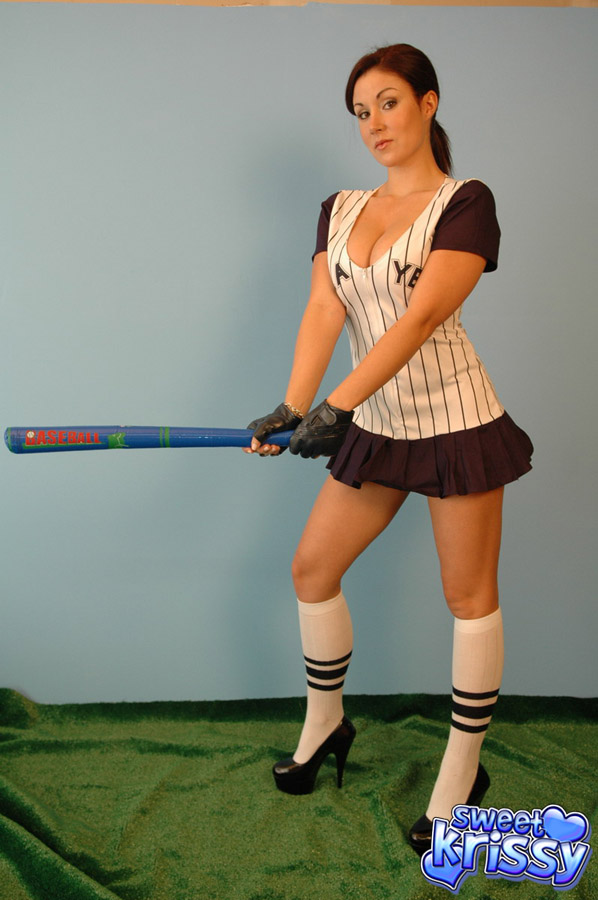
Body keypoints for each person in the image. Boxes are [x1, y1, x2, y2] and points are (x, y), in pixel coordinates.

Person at [244, 43, 533, 856]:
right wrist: (293, 405)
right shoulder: (340, 207)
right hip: (376, 423)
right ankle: (326, 726)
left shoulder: (465, 202)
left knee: (468, 598)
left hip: (454, 421)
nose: (373, 122)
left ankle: (461, 777)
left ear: (428, 103)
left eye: (389, 102)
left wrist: (335, 405)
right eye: (360, 111)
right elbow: (323, 310)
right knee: (312, 570)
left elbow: (421, 317)